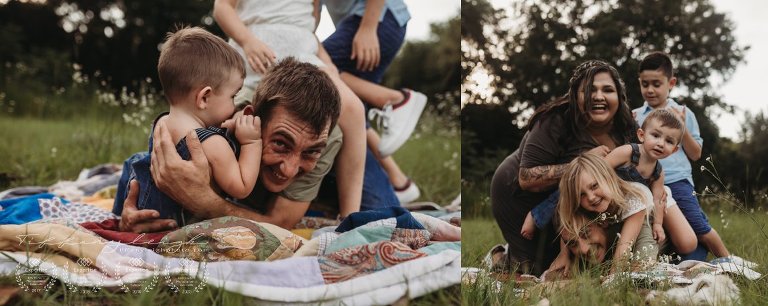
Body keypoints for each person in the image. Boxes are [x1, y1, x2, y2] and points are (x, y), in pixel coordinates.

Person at [117, 57, 343, 232]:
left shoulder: (327, 138)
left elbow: (281, 224)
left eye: (310, 152)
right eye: (281, 144)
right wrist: (135, 208)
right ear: (251, 119)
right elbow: (157, 161)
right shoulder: (221, 114)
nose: (290, 169)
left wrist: (204, 201)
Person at [213, 0, 367, 216]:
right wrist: (247, 41)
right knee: (232, 112)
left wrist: (326, 61)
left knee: (354, 109)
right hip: (257, 54)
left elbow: (309, 26)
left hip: (303, 56)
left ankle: (352, 215)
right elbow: (222, 8)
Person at [490, 60, 638, 275]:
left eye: (608, 90)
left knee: (584, 265)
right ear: (575, 96)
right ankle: (501, 257)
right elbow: (526, 177)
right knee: (533, 270)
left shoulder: (627, 127)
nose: (598, 97)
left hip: (578, 198)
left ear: (619, 96)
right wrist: (582, 162)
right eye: (589, 90)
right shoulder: (555, 120)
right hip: (520, 195)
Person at [113, 27, 262, 226]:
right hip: (178, 227)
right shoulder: (214, 143)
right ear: (204, 97)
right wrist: (252, 141)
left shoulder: (162, 124)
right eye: (232, 96)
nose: (234, 105)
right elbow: (242, 186)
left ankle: (115, 218)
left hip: (147, 218)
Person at [522, 109, 698, 256]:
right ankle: (537, 215)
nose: (660, 143)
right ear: (641, 135)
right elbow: (597, 172)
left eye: (668, 141)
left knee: (651, 226)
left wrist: (658, 224)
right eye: (656, 136)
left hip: (630, 205)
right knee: (573, 188)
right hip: (602, 192)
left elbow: (659, 200)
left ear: (674, 150)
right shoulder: (628, 152)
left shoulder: (658, 173)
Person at [322, 0, 428, 203]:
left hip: (377, 19)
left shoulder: (369, 25)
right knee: (351, 109)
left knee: (313, 64)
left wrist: (368, 27)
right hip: (370, 24)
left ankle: (396, 100)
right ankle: (399, 182)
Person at [633, 51, 731, 260]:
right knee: (660, 229)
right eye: (645, 84)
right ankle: (680, 262)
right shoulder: (637, 116)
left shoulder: (684, 113)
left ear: (671, 83)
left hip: (677, 180)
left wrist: (682, 126)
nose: (650, 90)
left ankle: (727, 260)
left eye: (656, 84)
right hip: (648, 182)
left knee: (697, 225)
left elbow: (696, 154)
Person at [547, 153, 657, 275]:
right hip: (617, 219)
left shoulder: (634, 200)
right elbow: (569, 224)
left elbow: (623, 250)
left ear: (608, 177)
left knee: (664, 243)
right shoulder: (585, 208)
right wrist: (564, 254)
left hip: (650, 207)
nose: (591, 197)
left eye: (594, 186)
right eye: (581, 194)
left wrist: (613, 278)